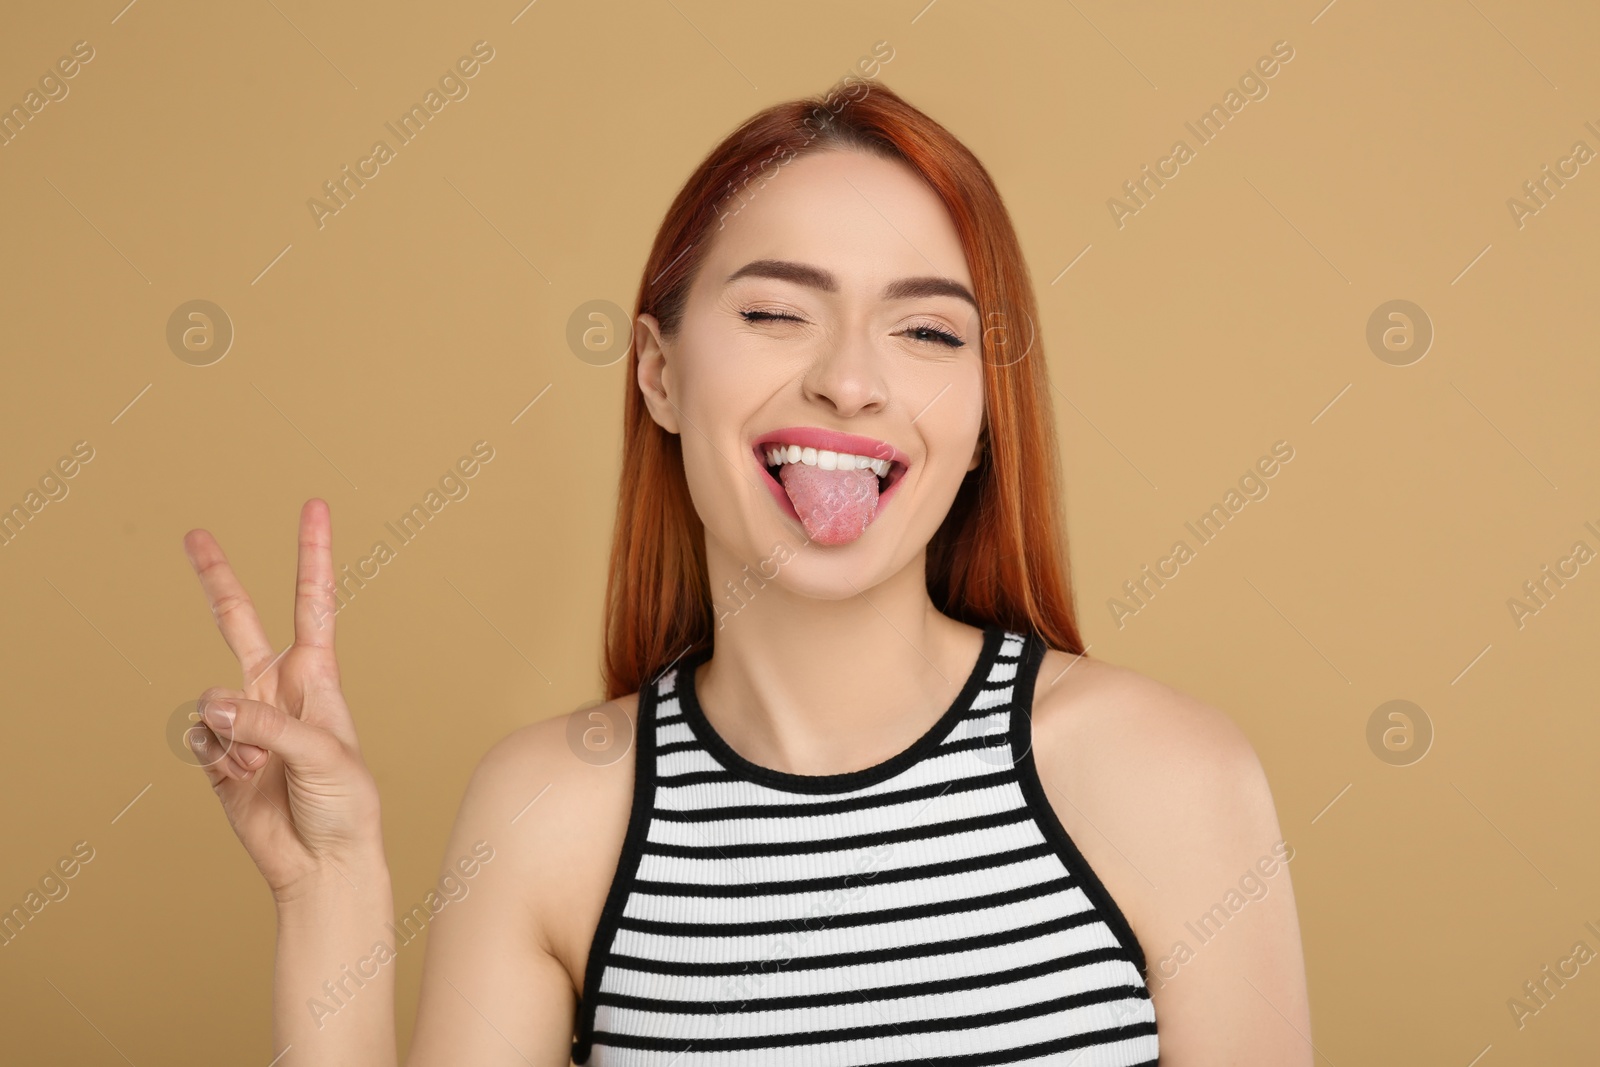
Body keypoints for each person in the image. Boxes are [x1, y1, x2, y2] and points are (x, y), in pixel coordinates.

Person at [182, 81, 1310, 1065]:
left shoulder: (1169, 774)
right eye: (776, 311)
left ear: (980, 424)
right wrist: (324, 887)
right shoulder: (553, 814)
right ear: (658, 375)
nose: (852, 382)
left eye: (925, 333)